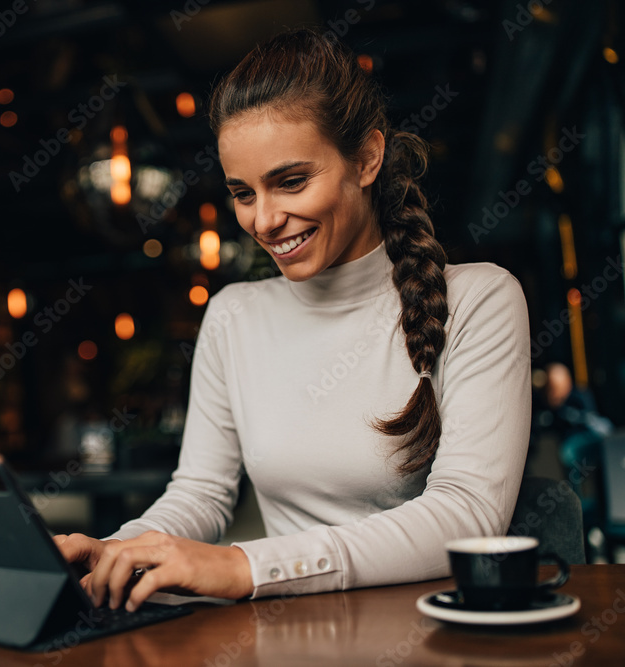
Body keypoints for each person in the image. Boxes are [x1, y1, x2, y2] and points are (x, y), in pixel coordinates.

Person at [55, 28, 531, 612]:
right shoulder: (233, 315)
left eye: (291, 181)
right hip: (289, 634)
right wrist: (116, 550)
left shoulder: (481, 299)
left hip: (429, 635)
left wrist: (246, 565)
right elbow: (201, 493)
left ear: (367, 159)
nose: (265, 220)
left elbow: (469, 515)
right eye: (242, 192)